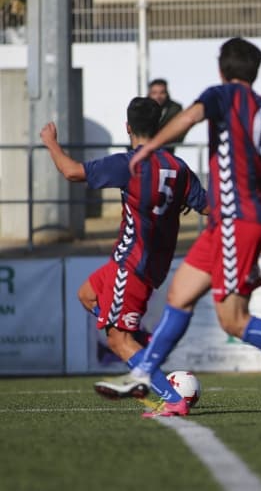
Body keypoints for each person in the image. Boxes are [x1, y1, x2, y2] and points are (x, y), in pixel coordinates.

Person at [94, 37, 261, 419]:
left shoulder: (222, 96)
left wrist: (150, 147)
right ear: (254, 72)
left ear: (222, 70)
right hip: (234, 221)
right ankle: (143, 372)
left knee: (234, 319)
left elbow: (190, 117)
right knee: (180, 294)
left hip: (236, 219)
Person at [40, 97, 208, 413]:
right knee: (87, 296)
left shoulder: (129, 163)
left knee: (117, 341)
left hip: (132, 264)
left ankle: (172, 399)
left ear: (127, 127)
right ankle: (143, 352)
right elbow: (209, 206)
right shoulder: (178, 168)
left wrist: (51, 143)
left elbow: (73, 172)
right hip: (145, 264)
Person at [148, 78, 184, 154]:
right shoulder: (141, 107)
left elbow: (181, 130)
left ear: (167, 93)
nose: (158, 96)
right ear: (149, 94)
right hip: (144, 151)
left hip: (167, 151)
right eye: (154, 93)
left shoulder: (175, 108)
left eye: (162, 93)